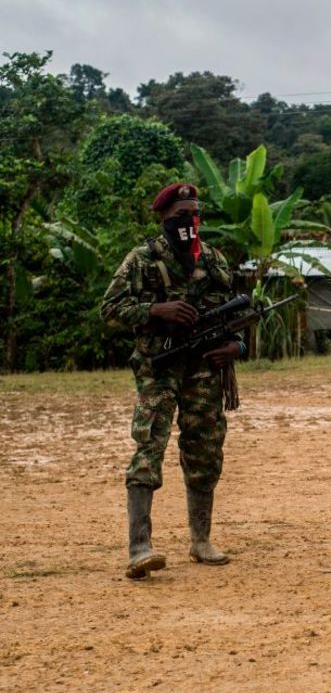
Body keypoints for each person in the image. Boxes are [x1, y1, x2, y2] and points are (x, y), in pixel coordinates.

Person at [101, 182, 240, 580]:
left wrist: (238, 346)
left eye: (195, 215)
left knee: (205, 450)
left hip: (204, 370)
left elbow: (232, 314)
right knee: (150, 447)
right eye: (181, 216)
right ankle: (139, 547)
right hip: (158, 369)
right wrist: (155, 309)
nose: (189, 222)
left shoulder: (213, 260)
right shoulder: (142, 259)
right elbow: (110, 309)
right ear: (163, 217)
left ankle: (200, 540)